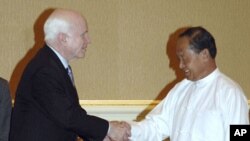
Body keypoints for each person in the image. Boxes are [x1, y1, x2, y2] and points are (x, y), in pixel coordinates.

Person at [9, 9, 130, 141]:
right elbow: (68, 116)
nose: (88, 40)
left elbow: (71, 114)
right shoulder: (45, 70)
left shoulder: (52, 64)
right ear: (63, 38)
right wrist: (109, 129)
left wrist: (103, 135)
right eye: (83, 35)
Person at [128, 26, 249, 141]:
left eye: (183, 58)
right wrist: (126, 130)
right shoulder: (181, 89)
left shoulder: (231, 93)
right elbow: (156, 126)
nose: (180, 65)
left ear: (204, 55)